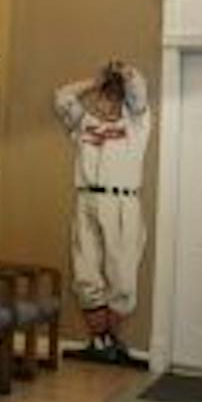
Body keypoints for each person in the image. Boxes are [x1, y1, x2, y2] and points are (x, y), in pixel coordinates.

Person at [53, 61, 151, 365]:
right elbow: (62, 97)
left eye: (111, 96)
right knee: (85, 275)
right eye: (102, 96)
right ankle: (100, 343)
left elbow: (138, 88)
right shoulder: (85, 124)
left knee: (122, 280)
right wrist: (94, 82)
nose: (104, 102)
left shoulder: (137, 123)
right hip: (86, 201)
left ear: (120, 98)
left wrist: (123, 72)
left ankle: (112, 343)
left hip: (122, 204)